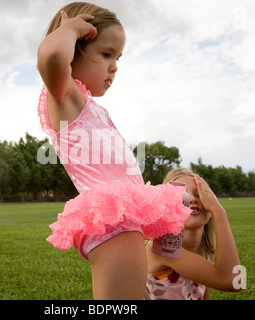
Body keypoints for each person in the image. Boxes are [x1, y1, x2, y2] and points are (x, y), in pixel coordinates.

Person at [37, 2, 191, 299]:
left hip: (122, 225)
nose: (114, 66)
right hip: (112, 227)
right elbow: (52, 56)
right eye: (106, 54)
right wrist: (68, 29)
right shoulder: (64, 95)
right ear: (75, 50)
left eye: (118, 57)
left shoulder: (87, 104)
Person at [145, 168, 241, 300]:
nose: (192, 199)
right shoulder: (163, 246)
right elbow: (234, 281)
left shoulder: (205, 249)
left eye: (200, 194)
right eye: (182, 196)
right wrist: (219, 211)